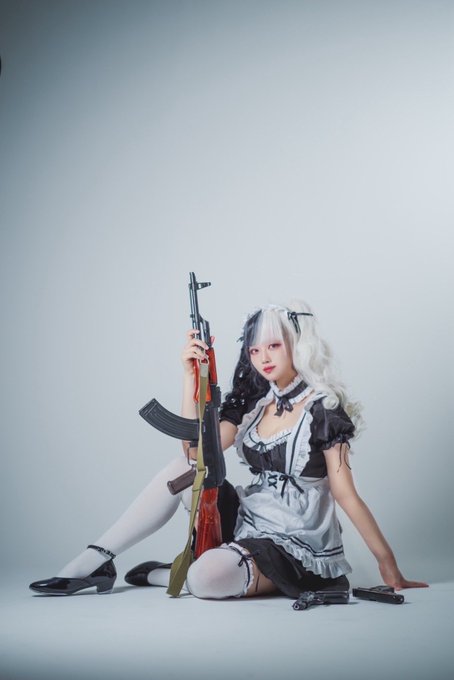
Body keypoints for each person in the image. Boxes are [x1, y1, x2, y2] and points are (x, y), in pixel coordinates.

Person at [29, 302, 428, 598]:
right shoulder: (253, 402)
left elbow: (345, 495)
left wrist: (388, 565)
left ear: (297, 345)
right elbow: (195, 454)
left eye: (274, 346)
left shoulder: (323, 409)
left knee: (206, 579)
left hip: (297, 538)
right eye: (255, 350)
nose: (263, 358)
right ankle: (95, 560)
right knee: (180, 469)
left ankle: (172, 574)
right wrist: (191, 378)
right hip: (250, 520)